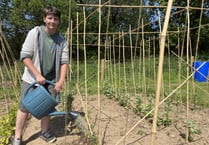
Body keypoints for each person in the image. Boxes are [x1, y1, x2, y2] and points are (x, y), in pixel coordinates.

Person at [13, 6, 69, 145]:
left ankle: (44, 132)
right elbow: (25, 56)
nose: (52, 21)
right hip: (32, 78)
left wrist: (61, 81)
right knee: (25, 106)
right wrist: (37, 75)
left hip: (51, 80)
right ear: (45, 19)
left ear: (59, 21)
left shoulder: (62, 40)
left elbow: (64, 62)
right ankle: (18, 137)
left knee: (47, 107)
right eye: (50, 18)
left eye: (55, 19)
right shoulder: (35, 33)